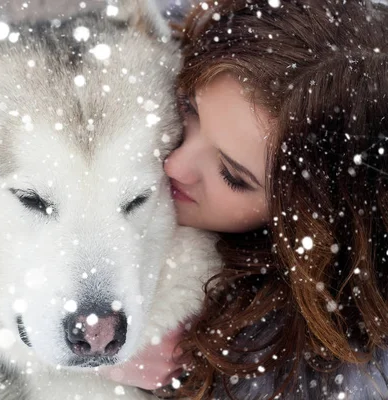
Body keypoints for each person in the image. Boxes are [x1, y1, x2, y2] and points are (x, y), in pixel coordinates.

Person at [101, 0, 388, 398]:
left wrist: (190, 376)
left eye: (232, 175)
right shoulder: (137, 46)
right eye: (189, 109)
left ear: (305, 218)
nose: (175, 165)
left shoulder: (304, 368)